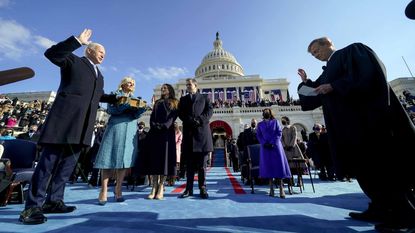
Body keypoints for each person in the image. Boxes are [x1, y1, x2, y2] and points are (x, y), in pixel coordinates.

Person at [297, 37, 415, 231]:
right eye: (312, 54)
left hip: (367, 125)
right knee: (364, 171)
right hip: (347, 130)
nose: (316, 56)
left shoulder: (352, 51)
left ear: (327, 43)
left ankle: (405, 215)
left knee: (382, 170)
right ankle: (379, 208)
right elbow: (313, 98)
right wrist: (307, 83)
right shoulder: (327, 72)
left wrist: (335, 86)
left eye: (317, 51)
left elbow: (371, 75)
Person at [18, 29, 117, 225]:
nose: (103, 55)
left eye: (105, 53)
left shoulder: (100, 76)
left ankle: (54, 201)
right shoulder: (74, 61)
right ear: (89, 50)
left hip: (82, 128)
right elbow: (52, 54)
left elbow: (97, 97)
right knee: (47, 165)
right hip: (64, 123)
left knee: (66, 168)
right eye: (100, 51)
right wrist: (77, 41)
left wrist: (117, 98)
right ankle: (32, 206)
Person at [94, 77, 146, 205]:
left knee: (124, 160)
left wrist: (140, 110)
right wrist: (123, 106)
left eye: (133, 83)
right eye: (129, 82)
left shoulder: (135, 98)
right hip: (116, 127)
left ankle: (118, 189)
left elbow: (135, 115)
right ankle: (104, 190)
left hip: (130, 129)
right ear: (122, 84)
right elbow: (111, 110)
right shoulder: (115, 95)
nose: (132, 85)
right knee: (108, 158)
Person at [138, 84, 178, 200]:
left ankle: (161, 186)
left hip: (166, 134)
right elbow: (152, 117)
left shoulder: (175, 102)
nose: (163, 90)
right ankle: (154, 186)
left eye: (165, 88)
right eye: (162, 88)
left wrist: (164, 126)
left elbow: (172, 117)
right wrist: (154, 125)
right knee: (155, 160)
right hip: (155, 134)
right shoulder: (157, 102)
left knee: (165, 161)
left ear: (170, 90)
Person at [178, 78, 213, 199]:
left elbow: (209, 111)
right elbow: (181, 113)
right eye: (186, 85)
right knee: (190, 166)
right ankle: (189, 189)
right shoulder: (183, 99)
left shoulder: (204, 97)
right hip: (189, 135)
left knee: (202, 166)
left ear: (196, 85)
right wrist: (190, 120)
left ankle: (203, 188)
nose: (188, 86)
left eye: (190, 84)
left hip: (202, 135)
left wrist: (199, 120)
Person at [256, 108, 291, 198]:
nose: (266, 113)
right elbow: (259, 135)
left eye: (267, 111)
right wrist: (264, 142)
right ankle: (271, 188)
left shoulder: (275, 122)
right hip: (265, 148)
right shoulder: (260, 124)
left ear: (270, 113)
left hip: (275, 147)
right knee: (268, 167)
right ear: (263, 113)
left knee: (278, 166)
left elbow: (279, 133)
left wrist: (272, 142)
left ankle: (281, 188)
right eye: (264, 112)